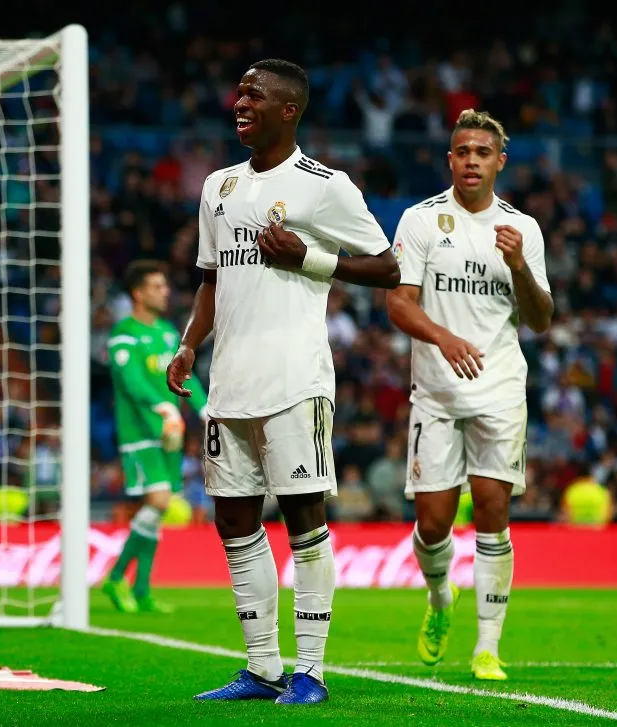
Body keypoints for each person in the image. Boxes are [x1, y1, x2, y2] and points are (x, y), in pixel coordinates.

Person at [166, 58, 399, 705]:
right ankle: (263, 665)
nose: (239, 101)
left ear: (288, 109)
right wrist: (190, 345)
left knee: (304, 519)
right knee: (234, 521)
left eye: (254, 94)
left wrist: (311, 257)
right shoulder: (217, 186)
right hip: (229, 382)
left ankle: (312, 671)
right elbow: (211, 278)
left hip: (296, 379)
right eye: (238, 91)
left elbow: (389, 266)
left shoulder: (323, 187)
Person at [385, 109, 553, 681]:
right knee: (432, 522)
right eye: (462, 152)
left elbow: (541, 318)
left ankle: (488, 647)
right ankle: (438, 600)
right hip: (435, 391)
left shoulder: (522, 229)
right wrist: (444, 336)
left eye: (483, 152)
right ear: (450, 159)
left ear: (500, 161)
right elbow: (398, 302)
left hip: (501, 387)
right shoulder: (421, 220)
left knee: (492, 511)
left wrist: (520, 269)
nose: (472, 161)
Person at [101, 260, 208, 614]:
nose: (165, 292)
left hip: (170, 433)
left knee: (157, 508)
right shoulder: (123, 335)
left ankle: (142, 589)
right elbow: (130, 382)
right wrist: (160, 407)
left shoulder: (165, 333)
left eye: (165, 286)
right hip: (140, 432)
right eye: (157, 286)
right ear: (138, 292)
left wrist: (205, 408)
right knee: (160, 501)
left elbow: (185, 374)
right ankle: (116, 577)